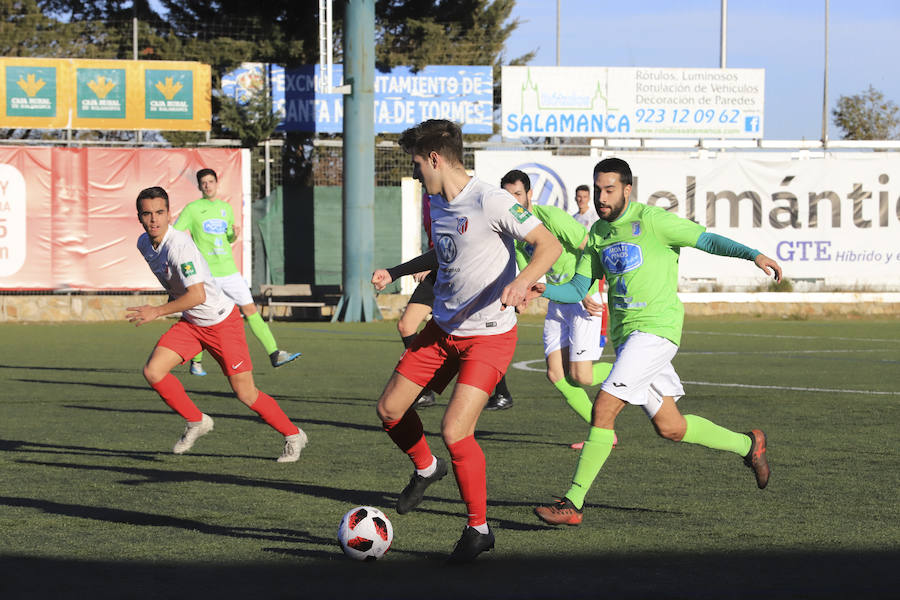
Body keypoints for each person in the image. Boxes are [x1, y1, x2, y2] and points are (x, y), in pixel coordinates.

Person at [527, 158, 780, 526]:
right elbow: (580, 287)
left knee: (604, 408)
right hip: (628, 338)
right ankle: (748, 444)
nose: (601, 196)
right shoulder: (597, 233)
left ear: (627, 190)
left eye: (609, 189)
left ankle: (573, 503)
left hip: (657, 331)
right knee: (671, 428)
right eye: (598, 189)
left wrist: (752, 255)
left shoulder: (653, 221)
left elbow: (705, 239)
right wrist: (543, 287)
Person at [370, 119, 562, 562]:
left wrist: (524, 282)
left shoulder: (491, 199)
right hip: (443, 330)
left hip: (489, 337)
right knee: (389, 411)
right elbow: (446, 251)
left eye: (417, 163)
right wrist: (397, 272)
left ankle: (479, 529)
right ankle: (426, 467)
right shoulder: (437, 201)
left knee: (455, 430)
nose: (416, 172)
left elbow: (546, 244)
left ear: (435, 158)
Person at [128, 186, 307, 462]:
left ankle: (294, 434)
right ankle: (197, 420)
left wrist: (157, 311)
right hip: (192, 324)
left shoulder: (180, 248)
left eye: (160, 213)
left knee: (245, 393)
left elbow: (197, 295)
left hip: (222, 322)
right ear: (139, 216)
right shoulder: (144, 243)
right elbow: (176, 285)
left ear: (169, 213)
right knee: (153, 371)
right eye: (147, 214)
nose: (154, 220)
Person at [500, 169, 615, 444]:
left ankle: (637, 368)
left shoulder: (550, 217)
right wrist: (523, 296)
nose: (512, 202)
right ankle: (604, 434)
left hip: (582, 296)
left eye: (517, 195)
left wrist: (587, 288)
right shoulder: (515, 231)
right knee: (556, 374)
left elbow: (589, 246)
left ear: (529, 194)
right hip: (558, 301)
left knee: (582, 376)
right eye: (506, 197)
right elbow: (527, 272)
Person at [394, 191, 515, 411]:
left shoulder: (456, 195)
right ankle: (425, 390)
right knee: (406, 325)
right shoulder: (428, 196)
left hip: (452, 270)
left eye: (418, 164)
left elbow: (461, 240)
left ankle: (501, 392)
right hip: (438, 269)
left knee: (473, 331)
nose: (416, 173)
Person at [173, 168, 299, 375]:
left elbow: (228, 237)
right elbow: (177, 234)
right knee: (205, 316)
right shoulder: (193, 209)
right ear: (199, 186)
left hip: (230, 271)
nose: (207, 185)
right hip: (207, 275)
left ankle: (275, 353)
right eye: (203, 182)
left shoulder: (225, 208)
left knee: (250, 310)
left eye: (211, 181)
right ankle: (195, 361)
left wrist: (233, 234)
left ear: (216, 183)